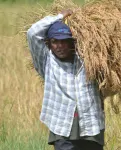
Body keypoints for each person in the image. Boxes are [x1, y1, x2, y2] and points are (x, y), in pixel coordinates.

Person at [27, 10, 105, 150]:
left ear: (72, 42)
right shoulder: (46, 60)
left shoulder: (89, 60)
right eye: (55, 41)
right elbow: (32, 32)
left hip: (91, 124)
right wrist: (60, 17)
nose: (60, 46)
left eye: (64, 41)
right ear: (48, 43)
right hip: (62, 126)